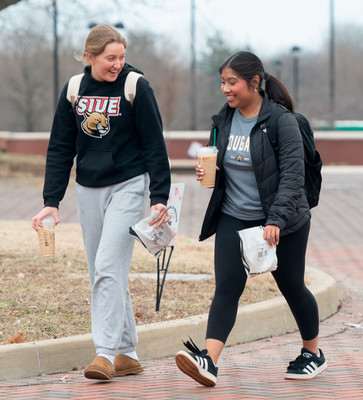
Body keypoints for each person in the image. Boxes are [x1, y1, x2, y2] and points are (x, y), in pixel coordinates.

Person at [175, 51, 327, 387]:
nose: (225, 89)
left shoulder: (281, 121)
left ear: (254, 82)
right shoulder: (223, 120)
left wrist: (275, 220)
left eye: (232, 82)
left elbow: (292, 175)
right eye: (222, 82)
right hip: (234, 215)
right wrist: (208, 171)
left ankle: (312, 353)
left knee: (291, 285)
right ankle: (208, 361)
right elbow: (223, 162)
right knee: (227, 288)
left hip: (282, 219)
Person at [31, 24, 171, 381]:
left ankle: (104, 354)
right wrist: (52, 201)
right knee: (102, 271)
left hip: (128, 185)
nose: (117, 64)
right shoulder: (75, 90)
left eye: (121, 57)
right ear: (89, 57)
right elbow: (61, 147)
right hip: (88, 189)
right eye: (110, 58)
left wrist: (159, 197)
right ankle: (128, 353)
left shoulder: (135, 86)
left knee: (108, 265)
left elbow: (155, 144)